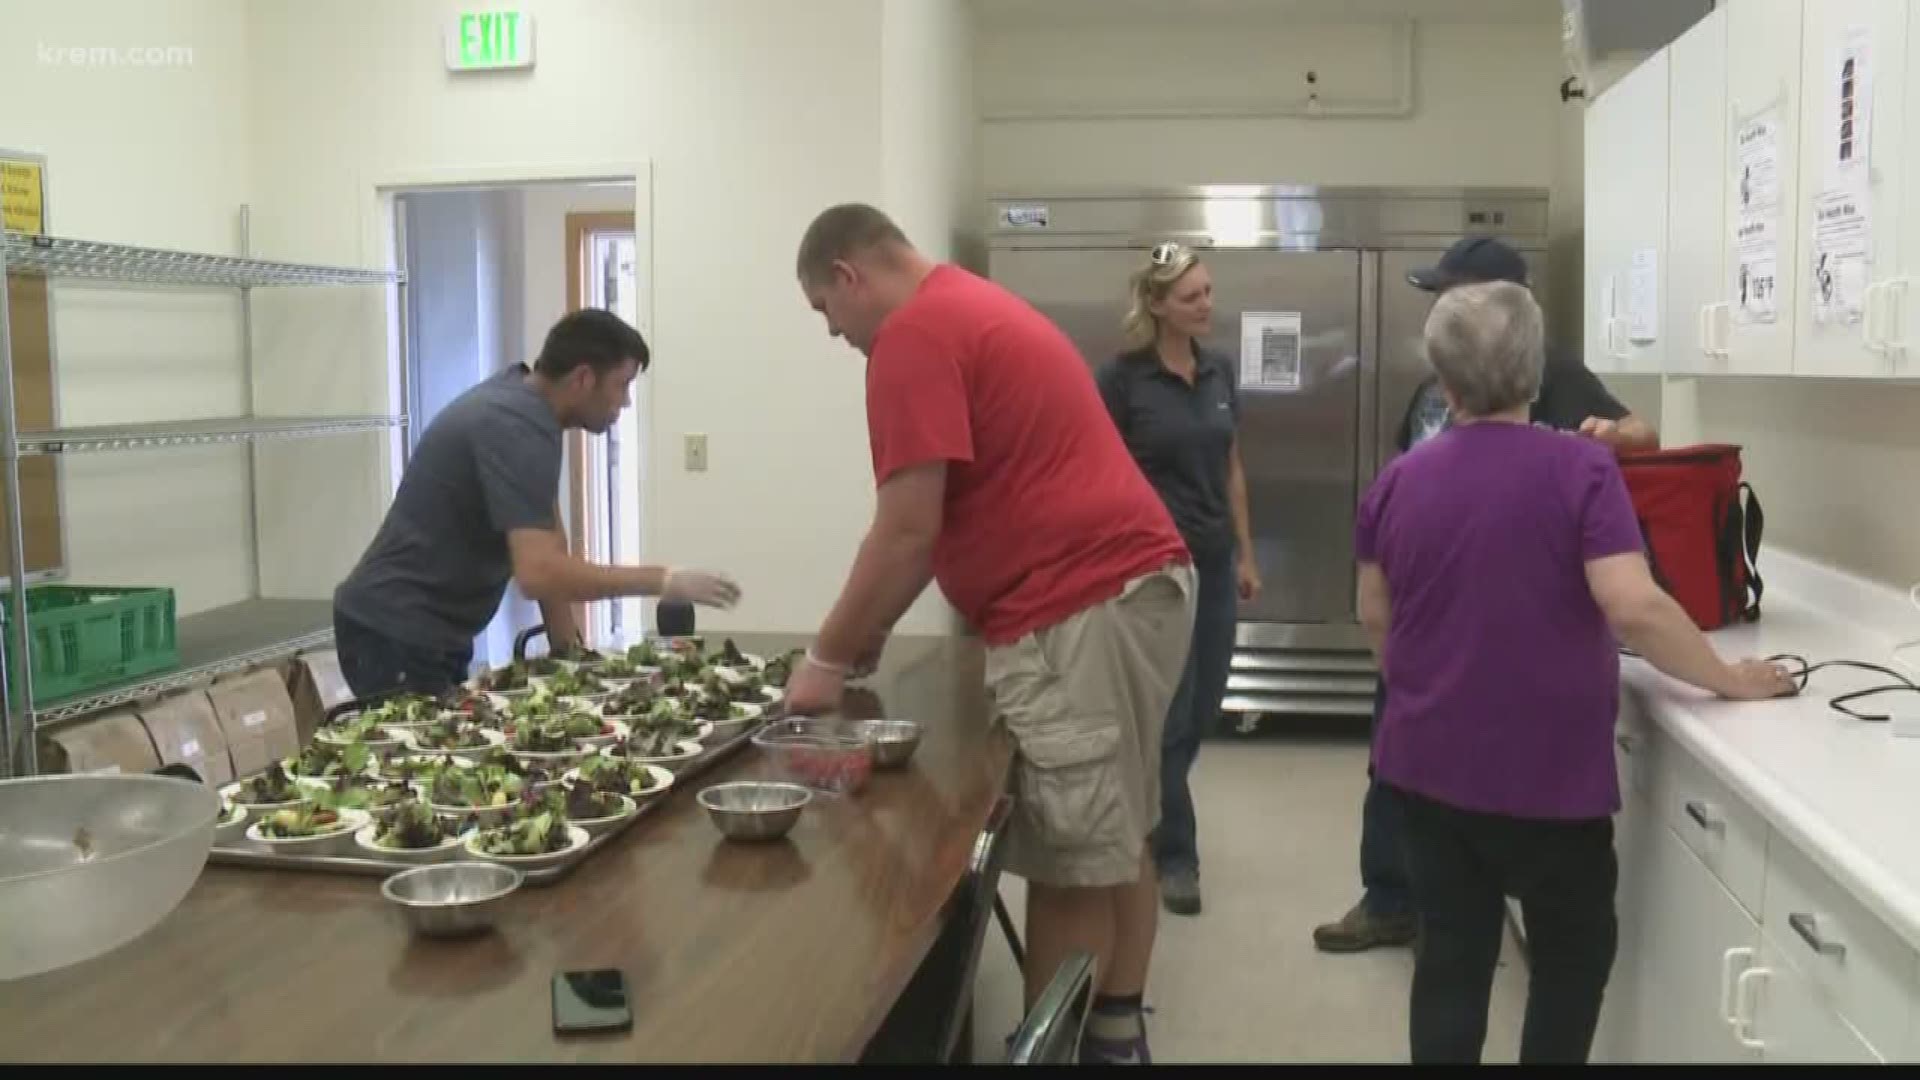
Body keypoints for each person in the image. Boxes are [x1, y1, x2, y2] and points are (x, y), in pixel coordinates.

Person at [781, 204, 1194, 1065]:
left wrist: (822, 660)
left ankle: (1057, 1053)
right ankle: (1115, 1036)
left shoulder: (913, 336)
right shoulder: (965, 304)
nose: (832, 333)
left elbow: (904, 529)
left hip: (1080, 603)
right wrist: (871, 635)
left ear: (852, 277)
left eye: (825, 310)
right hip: (1131, 589)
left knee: (1074, 857)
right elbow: (941, 525)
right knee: (1122, 829)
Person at [1355, 280, 1794, 1064]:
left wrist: (1431, 685)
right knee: (1568, 965)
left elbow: (1375, 617)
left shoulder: (1396, 483)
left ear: (1443, 382)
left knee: (1451, 965)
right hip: (1549, 787)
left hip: (1426, 775)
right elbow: (1634, 605)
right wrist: (1727, 676)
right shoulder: (1583, 471)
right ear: (1534, 374)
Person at [1314, 235, 1660, 954]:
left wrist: (1614, 435)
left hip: (1488, 627)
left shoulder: (1548, 372)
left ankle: (1474, 907)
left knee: (1470, 829)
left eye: (1449, 290)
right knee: (1394, 770)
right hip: (1422, 624)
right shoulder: (1435, 384)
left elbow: (1643, 435)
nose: (1435, 305)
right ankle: (1389, 896)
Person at [332, 309, 741, 699]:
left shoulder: (527, 407)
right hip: (393, 629)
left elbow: (551, 550)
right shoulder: (517, 424)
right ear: (584, 378)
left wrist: (574, 663)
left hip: (425, 631)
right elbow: (539, 575)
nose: (626, 402)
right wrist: (662, 580)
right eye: (622, 384)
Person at [1095, 242, 1260, 918]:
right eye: (1192, 296)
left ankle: (1148, 812)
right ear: (1157, 304)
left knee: (1202, 708)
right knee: (1167, 711)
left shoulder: (1218, 371)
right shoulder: (1122, 379)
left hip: (1215, 563)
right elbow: (1097, 473)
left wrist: (1247, 553)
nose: (1206, 305)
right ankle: (1176, 854)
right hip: (1152, 572)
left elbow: (1232, 468)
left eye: (1209, 292)